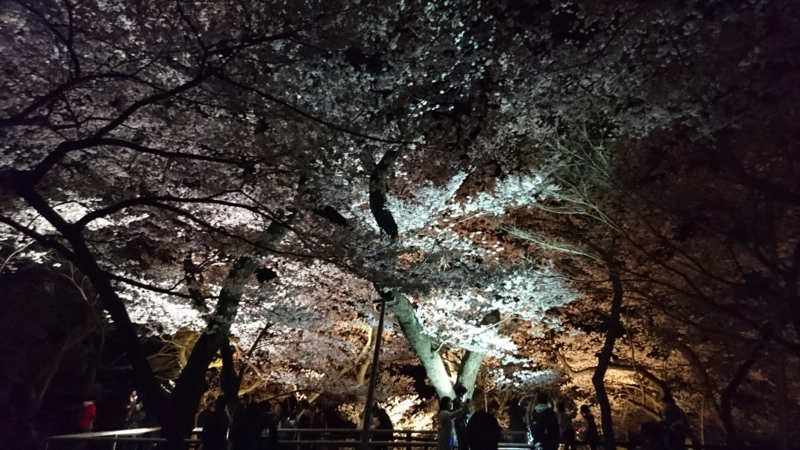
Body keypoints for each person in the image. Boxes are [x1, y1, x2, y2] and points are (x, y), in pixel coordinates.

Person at [452, 385, 471, 450]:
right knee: (452, 445)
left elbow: (469, 416)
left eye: (464, 394)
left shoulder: (465, 404)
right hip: (455, 431)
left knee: (465, 446)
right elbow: (452, 417)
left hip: (465, 431)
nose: (463, 396)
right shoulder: (453, 404)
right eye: (461, 394)